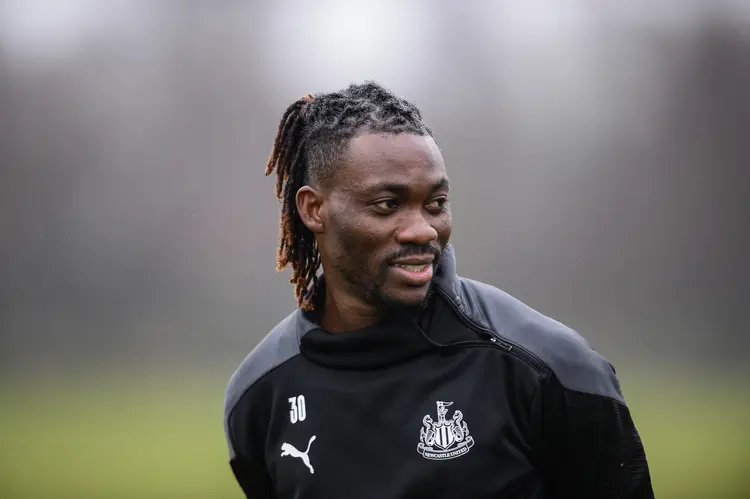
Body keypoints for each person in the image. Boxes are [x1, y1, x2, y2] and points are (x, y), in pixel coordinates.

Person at [223, 81, 653, 498]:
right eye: (388, 205)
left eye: (436, 203)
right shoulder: (260, 393)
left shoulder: (551, 369)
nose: (422, 229)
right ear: (313, 209)